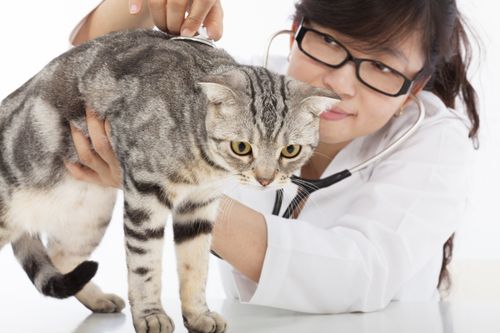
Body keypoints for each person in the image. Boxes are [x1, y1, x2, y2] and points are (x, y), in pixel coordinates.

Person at [66, 0, 479, 313]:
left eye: (383, 68)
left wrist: (175, 187)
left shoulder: (437, 142)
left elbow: (357, 274)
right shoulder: (240, 90)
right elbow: (88, 84)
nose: (339, 82)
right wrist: (137, 6)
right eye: (329, 42)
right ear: (297, 29)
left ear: (413, 87)